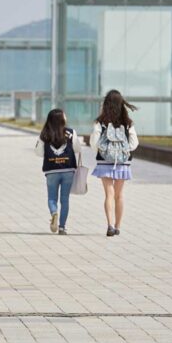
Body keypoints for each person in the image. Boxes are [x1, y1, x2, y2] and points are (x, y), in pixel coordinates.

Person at [90, 90, 139, 237]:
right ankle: (118, 227)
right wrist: (124, 151)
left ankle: (110, 225)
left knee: (108, 194)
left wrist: (101, 151)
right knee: (119, 195)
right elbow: (134, 143)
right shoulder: (128, 123)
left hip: (104, 161)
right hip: (122, 163)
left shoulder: (100, 122)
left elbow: (94, 142)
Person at [34, 108, 82, 235]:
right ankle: (62, 227)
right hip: (68, 169)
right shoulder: (71, 133)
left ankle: (54, 212)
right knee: (65, 199)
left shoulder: (45, 134)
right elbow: (77, 148)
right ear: (62, 119)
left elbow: (38, 152)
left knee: (52, 198)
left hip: (51, 170)